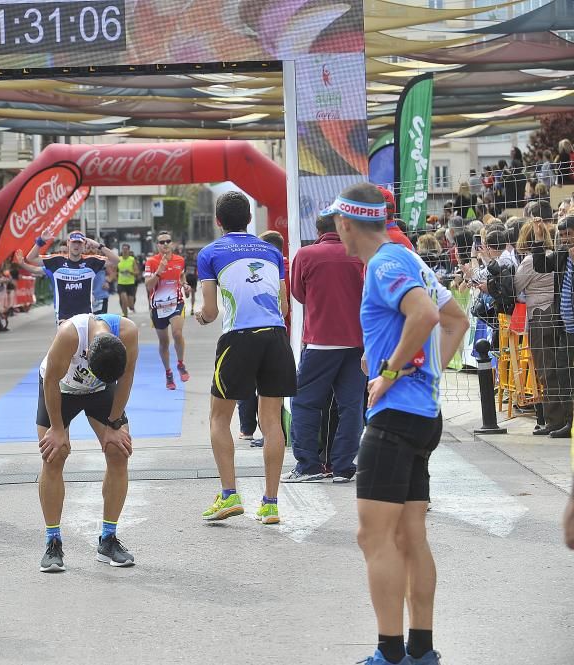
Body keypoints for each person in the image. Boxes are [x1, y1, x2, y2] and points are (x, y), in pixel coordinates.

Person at [326, 182, 468, 665]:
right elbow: (456, 321)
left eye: (336, 224)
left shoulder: (385, 263)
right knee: (410, 536)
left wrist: (390, 373)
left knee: (374, 537)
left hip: (395, 418)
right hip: (421, 415)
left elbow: (427, 315)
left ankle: (389, 654)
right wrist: (420, 370)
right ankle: (421, 650)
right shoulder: (410, 259)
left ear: (346, 223)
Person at [195, 191, 296, 525]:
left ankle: (229, 495)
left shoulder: (210, 253)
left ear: (218, 221)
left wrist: (200, 313)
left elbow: (210, 312)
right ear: (250, 220)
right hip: (276, 337)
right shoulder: (271, 250)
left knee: (218, 417)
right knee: (271, 421)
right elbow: (283, 306)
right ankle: (270, 504)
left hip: (238, 338)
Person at [37, 312, 139, 572]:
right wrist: (58, 429)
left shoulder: (128, 333)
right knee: (54, 454)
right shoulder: (70, 335)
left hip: (100, 392)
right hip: (61, 389)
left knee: (118, 450)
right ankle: (53, 541)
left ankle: (108, 539)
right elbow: (50, 380)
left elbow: (126, 379)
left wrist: (114, 424)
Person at [284, 213, 366, 484]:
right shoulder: (360, 254)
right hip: (357, 341)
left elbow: (298, 293)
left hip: (320, 340)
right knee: (351, 405)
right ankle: (343, 466)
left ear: (317, 230)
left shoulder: (306, 255)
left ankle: (309, 465)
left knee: (306, 402)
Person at [530, 215, 574, 439]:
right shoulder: (561, 257)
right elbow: (539, 265)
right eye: (564, 235)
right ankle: (568, 422)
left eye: (570, 234)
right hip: (566, 329)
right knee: (565, 376)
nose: (567, 239)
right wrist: (538, 239)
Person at [25, 229, 118, 323]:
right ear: (68, 243)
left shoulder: (91, 261)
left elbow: (116, 260)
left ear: (84, 245)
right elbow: (30, 258)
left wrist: (99, 246)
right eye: (74, 242)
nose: (76, 245)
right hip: (64, 318)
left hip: (86, 317)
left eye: (79, 243)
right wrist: (41, 240)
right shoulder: (57, 261)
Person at [144, 230, 191, 390]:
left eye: (167, 241)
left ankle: (180, 363)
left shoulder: (179, 260)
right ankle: (168, 373)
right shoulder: (151, 261)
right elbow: (148, 286)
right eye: (161, 242)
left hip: (176, 303)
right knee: (164, 342)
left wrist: (185, 285)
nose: (165, 244)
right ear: (157, 245)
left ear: (172, 243)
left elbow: (181, 276)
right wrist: (159, 271)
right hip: (158, 307)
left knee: (177, 333)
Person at [116, 244, 139, 316]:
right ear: (121, 250)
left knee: (130, 305)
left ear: (129, 250)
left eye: (126, 249)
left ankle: (131, 307)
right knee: (124, 300)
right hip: (121, 283)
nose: (125, 251)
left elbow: (137, 272)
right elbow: (114, 271)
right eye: (123, 249)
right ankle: (125, 316)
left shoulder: (132, 260)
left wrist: (130, 272)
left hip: (131, 284)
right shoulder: (118, 259)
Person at [184, 248, 199, 315]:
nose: (190, 255)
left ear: (193, 254)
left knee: (193, 294)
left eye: (191, 253)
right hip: (187, 279)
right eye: (189, 253)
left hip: (193, 279)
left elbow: (198, 270)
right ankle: (187, 292)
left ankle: (192, 309)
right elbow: (182, 271)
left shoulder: (196, 261)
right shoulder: (185, 261)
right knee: (187, 295)